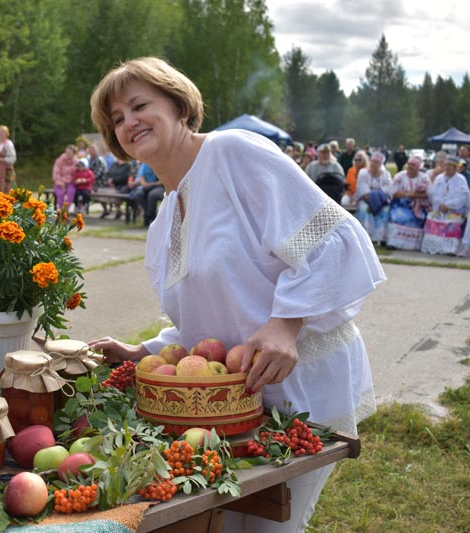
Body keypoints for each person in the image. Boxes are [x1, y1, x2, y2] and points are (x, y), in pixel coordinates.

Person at [87, 57, 384, 533]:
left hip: (302, 387)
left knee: (270, 528)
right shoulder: (163, 221)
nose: (128, 123)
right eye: (116, 119)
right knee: (226, 523)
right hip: (233, 401)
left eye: (140, 105)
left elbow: (332, 236)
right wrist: (143, 351)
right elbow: (209, 323)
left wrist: (287, 321)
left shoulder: (232, 154)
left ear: (181, 106)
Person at [421, 156, 470, 255]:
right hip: (439, 209)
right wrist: (440, 206)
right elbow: (434, 195)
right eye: (446, 166)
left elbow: (463, 198)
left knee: (452, 221)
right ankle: (432, 247)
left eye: (451, 166)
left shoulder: (461, 179)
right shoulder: (439, 178)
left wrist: (448, 205)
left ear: (456, 168)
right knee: (431, 218)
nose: (448, 168)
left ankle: (449, 249)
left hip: (455, 209)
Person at [385, 155, 431, 251]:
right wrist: (408, 194)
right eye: (409, 164)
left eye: (413, 165)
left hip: (418, 204)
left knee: (420, 216)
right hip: (401, 203)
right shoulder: (400, 176)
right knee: (397, 215)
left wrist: (415, 195)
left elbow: (429, 193)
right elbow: (392, 192)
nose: (410, 167)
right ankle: (393, 243)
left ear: (418, 167)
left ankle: (412, 246)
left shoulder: (424, 178)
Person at [354, 152, 392, 246]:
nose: (374, 164)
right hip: (365, 200)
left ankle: (382, 238)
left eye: (377, 162)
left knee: (386, 210)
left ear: (381, 164)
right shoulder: (363, 173)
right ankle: (366, 237)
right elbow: (363, 190)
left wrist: (376, 195)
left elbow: (388, 188)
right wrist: (376, 195)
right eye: (373, 162)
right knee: (364, 209)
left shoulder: (386, 174)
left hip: (381, 201)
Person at [128, 162, 164, 227]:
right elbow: (141, 177)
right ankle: (150, 214)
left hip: (159, 186)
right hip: (147, 186)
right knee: (138, 194)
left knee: (152, 195)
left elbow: (163, 180)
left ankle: (148, 216)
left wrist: (151, 184)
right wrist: (144, 183)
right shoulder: (145, 164)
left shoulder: (161, 164)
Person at [52, 145, 77, 211]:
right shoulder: (59, 160)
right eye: (67, 152)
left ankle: (65, 210)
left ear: (73, 153)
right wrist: (60, 183)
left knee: (71, 192)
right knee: (60, 194)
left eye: (70, 152)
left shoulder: (76, 162)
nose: (67, 154)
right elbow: (56, 173)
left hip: (71, 182)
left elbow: (76, 174)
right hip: (59, 182)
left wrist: (70, 180)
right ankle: (61, 210)